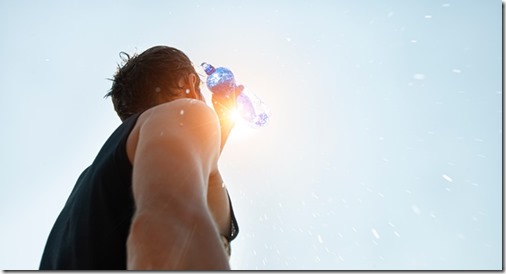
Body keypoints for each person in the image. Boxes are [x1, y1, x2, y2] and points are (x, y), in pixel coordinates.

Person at [39, 45, 241, 270]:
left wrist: (217, 131)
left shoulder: (88, 184)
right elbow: (166, 229)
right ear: (190, 82)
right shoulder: (186, 112)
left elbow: (179, 168)